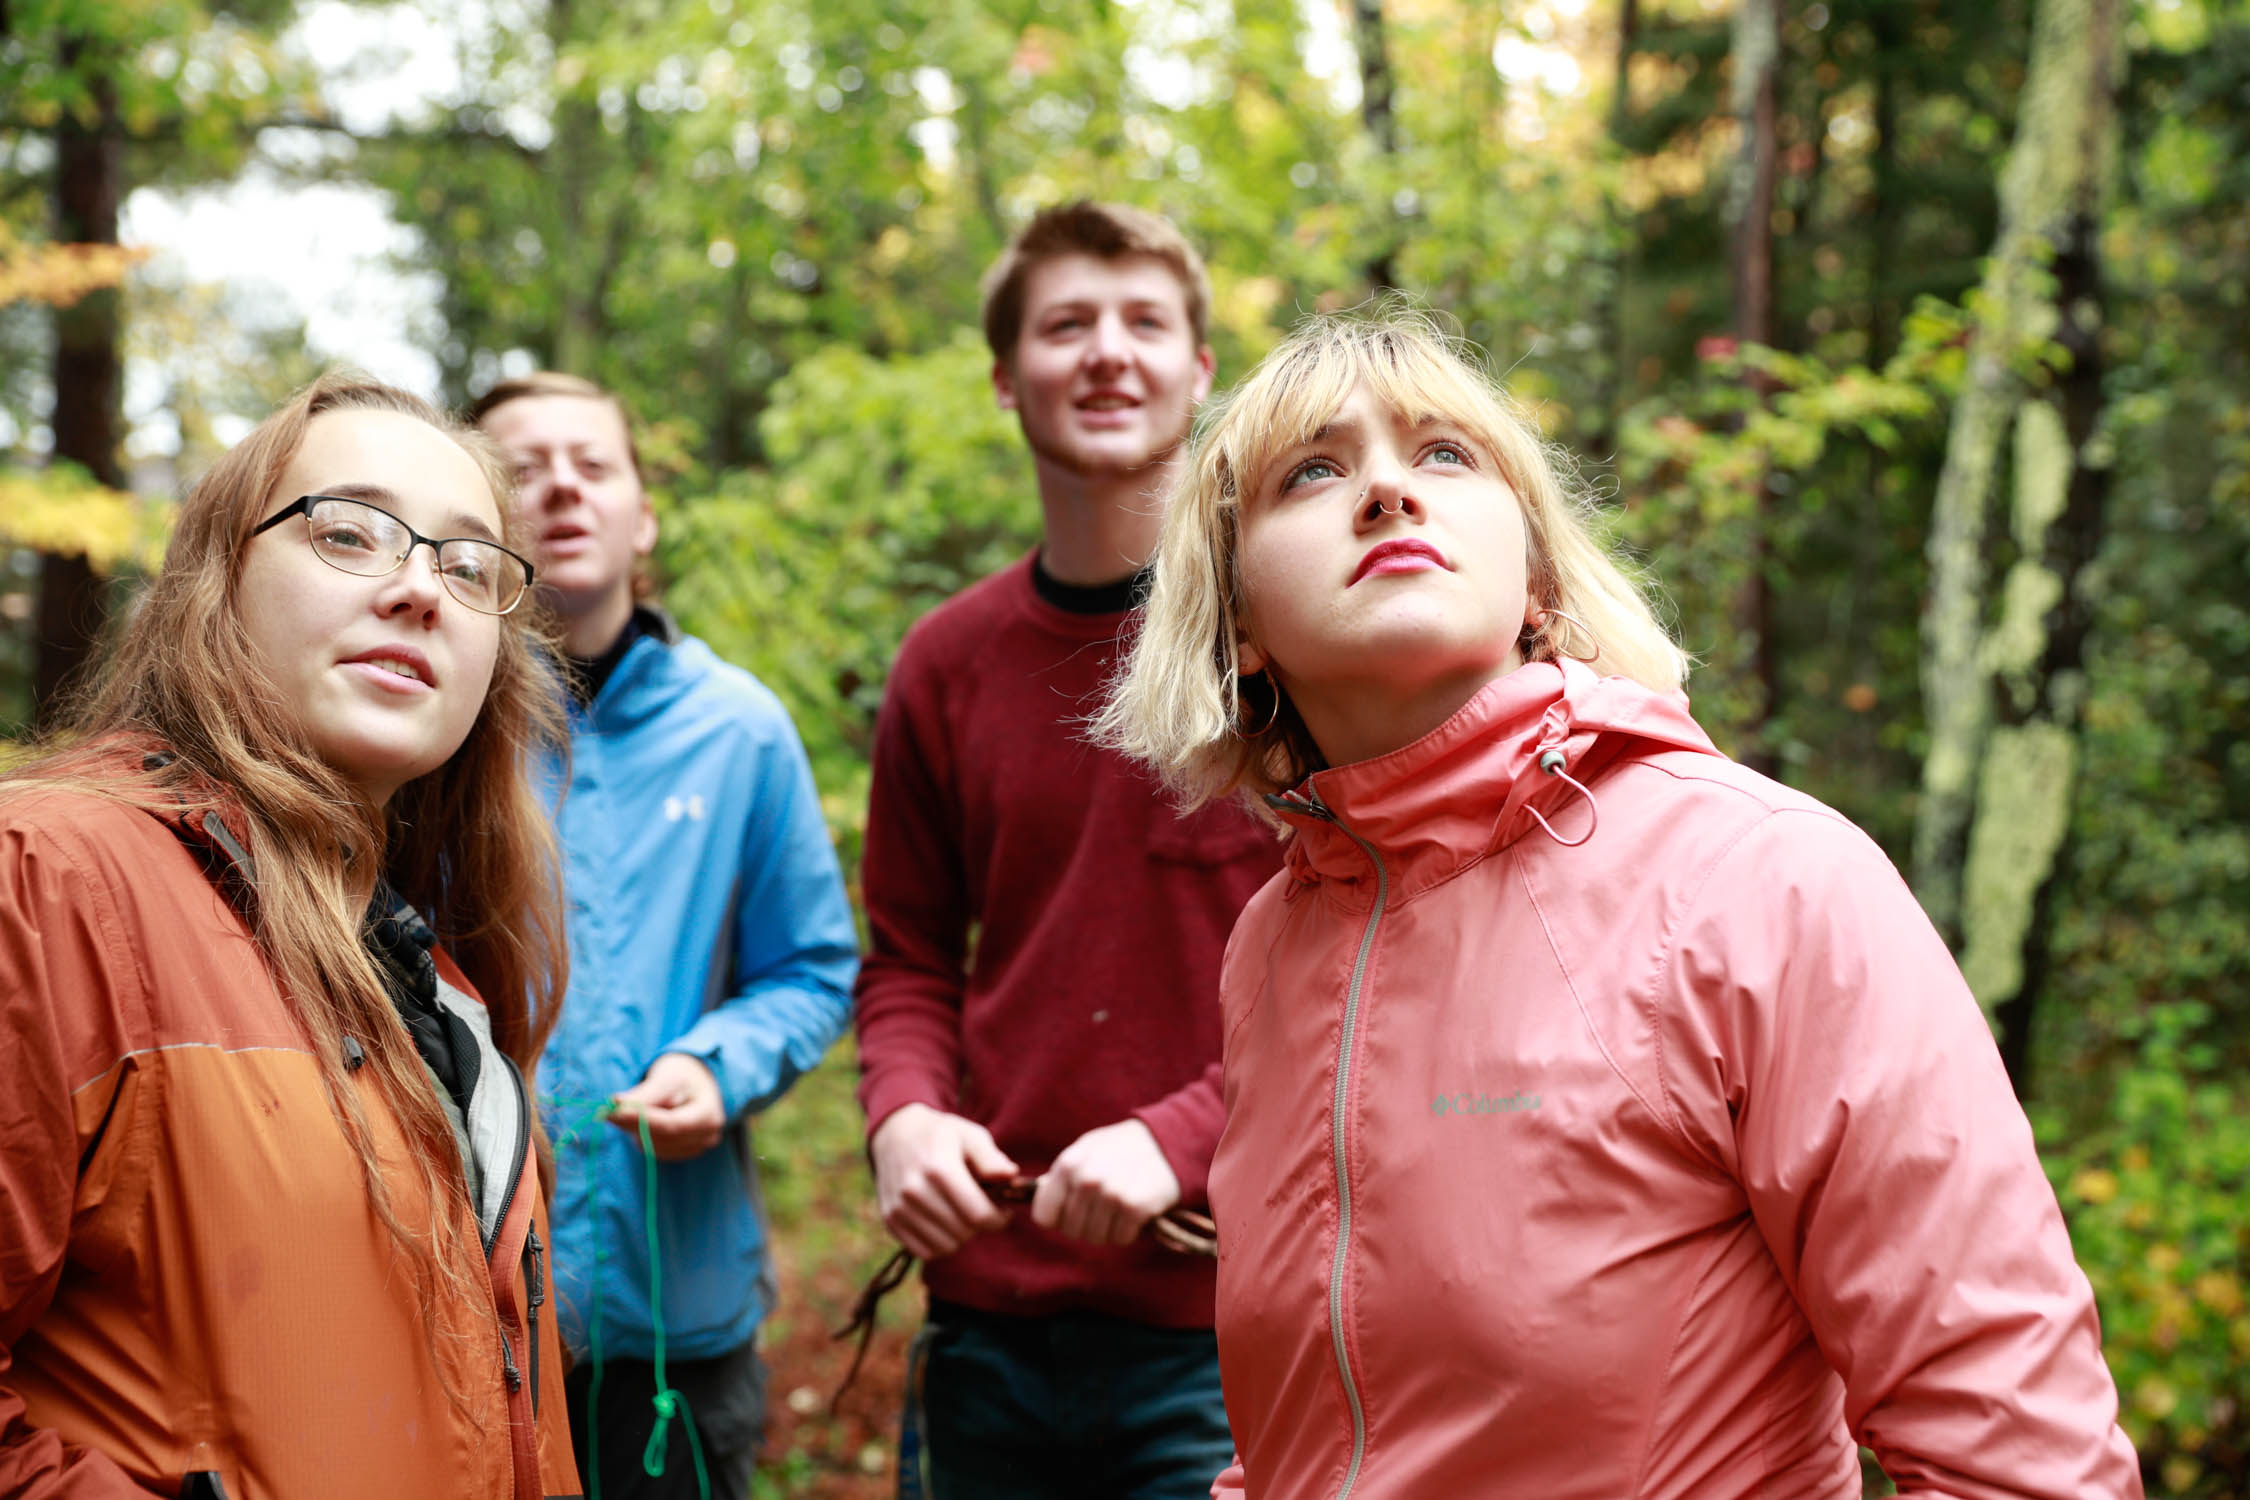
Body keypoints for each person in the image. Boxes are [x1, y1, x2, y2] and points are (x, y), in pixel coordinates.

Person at [1094, 306, 2144, 1497]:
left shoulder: (1764, 879)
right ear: (1240, 628)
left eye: (1446, 454)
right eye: (1313, 471)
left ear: (1536, 582)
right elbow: (1310, 1438)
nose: (1387, 489)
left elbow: (2017, 1446)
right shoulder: (1273, 945)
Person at [0, 374, 580, 1499]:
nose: (420, 589)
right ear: (217, 583)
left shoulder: (436, 983)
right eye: (350, 534)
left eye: (468, 567)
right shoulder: (49, 879)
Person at [851, 201, 1282, 1499]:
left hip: (1233, 1317)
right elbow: (912, 960)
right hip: (990, 1314)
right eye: (1064, 325)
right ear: (1005, 376)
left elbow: (1383, 955)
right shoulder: (946, 663)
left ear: (1199, 372)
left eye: (1145, 322)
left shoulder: (1288, 647)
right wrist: (904, 1116)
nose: (1107, 352)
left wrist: (1186, 1132)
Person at [471, 372, 859, 1500]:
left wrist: (714, 1065)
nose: (561, 488)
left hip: (673, 1332)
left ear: (642, 513)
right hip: (458, 1313)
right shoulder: (428, 729)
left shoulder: (739, 730)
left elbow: (811, 969)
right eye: (523, 470)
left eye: (593, 465)